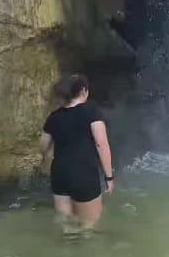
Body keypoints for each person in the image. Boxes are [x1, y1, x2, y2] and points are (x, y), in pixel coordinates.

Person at [40, 73, 115, 233]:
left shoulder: (54, 117)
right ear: (83, 91)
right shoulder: (92, 112)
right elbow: (101, 144)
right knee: (89, 227)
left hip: (59, 174)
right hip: (84, 173)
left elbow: (43, 145)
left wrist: (46, 158)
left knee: (66, 225)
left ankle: (66, 253)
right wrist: (109, 177)